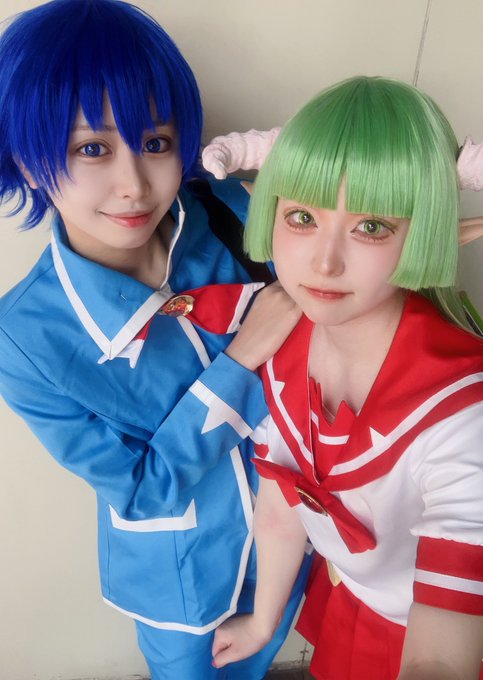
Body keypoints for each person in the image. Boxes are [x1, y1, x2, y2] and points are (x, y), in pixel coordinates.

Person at [0, 1, 310, 678]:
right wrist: (240, 361)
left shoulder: (227, 210)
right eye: (91, 148)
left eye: (156, 143)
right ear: (26, 159)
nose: (135, 185)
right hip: (187, 584)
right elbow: (140, 490)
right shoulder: (25, 339)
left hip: (307, 539)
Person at [211, 76, 483, 679]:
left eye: (371, 227)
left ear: (425, 230)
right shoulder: (286, 339)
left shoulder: (462, 412)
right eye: (302, 216)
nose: (324, 261)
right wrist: (263, 621)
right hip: (350, 596)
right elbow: (285, 499)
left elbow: (441, 654)